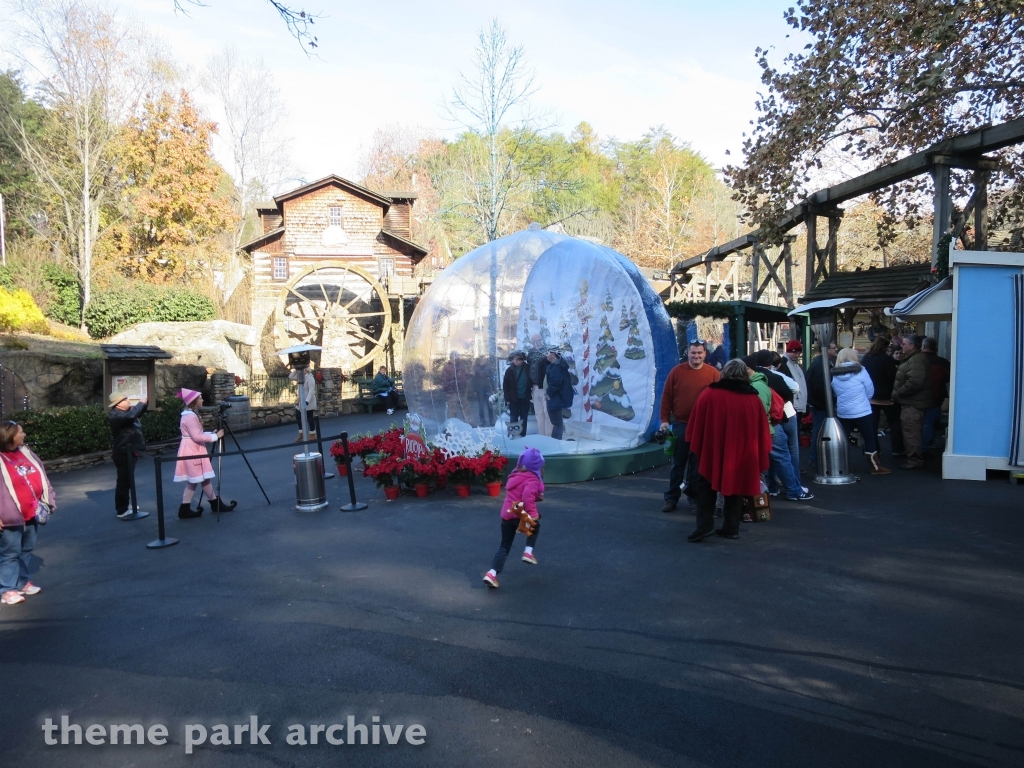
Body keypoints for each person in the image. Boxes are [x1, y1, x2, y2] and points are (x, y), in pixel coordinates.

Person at [685, 359, 773, 542]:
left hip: (712, 451)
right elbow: (762, 430)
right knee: (737, 487)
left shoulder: (710, 394)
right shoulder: (753, 399)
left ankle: (704, 526)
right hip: (741, 454)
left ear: (724, 372)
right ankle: (731, 527)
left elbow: (696, 421)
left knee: (705, 488)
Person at [659, 340, 721, 513]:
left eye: (699, 353)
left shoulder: (714, 374)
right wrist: (664, 419)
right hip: (680, 425)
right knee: (677, 464)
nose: (696, 356)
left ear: (705, 354)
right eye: (693, 353)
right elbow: (667, 397)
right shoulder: (677, 372)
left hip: (702, 427)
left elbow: (719, 399)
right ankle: (671, 498)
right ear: (688, 353)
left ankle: (694, 499)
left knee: (697, 466)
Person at [0, 420, 55, 605]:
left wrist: (49, 499)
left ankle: (22, 581)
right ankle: (7, 589)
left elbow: (41, 474)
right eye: (20, 432)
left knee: (26, 548)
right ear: (10, 437)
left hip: (31, 511)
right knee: (10, 553)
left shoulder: (25, 452)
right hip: (9, 516)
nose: (24, 435)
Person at [746, 353, 812, 501]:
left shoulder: (755, 383)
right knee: (788, 453)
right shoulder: (773, 376)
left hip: (772, 422)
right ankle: (795, 487)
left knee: (774, 455)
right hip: (784, 416)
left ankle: (776, 487)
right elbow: (794, 388)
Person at [484, 447, 544, 588]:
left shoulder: (515, 476)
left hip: (507, 515)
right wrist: (533, 514)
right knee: (535, 526)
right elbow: (526, 497)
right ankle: (528, 553)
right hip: (519, 513)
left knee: (505, 545)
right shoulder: (533, 479)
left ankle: (492, 574)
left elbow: (522, 493)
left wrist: (536, 498)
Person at [173, 389, 235, 518]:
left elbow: (195, 435)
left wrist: (210, 434)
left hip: (192, 448)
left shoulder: (189, 414)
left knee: (199, 478)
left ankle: (210, 504)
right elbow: (196, 436)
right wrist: (215, 437)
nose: (202, 400)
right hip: (193, 450)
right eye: (200, 398)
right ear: (194, 402)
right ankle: (190, 508)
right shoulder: (190, 416)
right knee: (196, 479)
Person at [831, 347, 891, 474]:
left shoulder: (835, 374)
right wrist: (865, 400)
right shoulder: (861, 370)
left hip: (843, 411)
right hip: (862, 410)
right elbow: (870, 389)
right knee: (869, 438)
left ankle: (843, 465)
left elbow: (835, 392)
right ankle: (875, 467)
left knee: (843, 439)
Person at [861, 336, 904, 459]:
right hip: (887, 396)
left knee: (872, 425)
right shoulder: (886, 359)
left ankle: (875, 449)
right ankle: (897, 449)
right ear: (885, 347)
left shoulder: (866, 358)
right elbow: (893, 376)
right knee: (895, 422)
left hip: (871, 396)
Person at [893, 334, 931, 469]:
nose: (901, 346)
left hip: (912, 403)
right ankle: (914, 457)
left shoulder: (916, 360)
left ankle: (914, 459)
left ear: (912, 346)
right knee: (912, 431)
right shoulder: (915, 359)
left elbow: (914, 382)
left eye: (904, 344)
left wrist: (898, 393)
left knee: (911, 432)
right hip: (913, 402)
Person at [108, 392, 148, 519]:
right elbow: (131, 417)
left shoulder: (125, 413)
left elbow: (137, 413)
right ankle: (121, 510)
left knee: (128, 480)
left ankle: (126, 504)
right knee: (123, 481)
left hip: (130, 451)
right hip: (123, 452)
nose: (128, 401)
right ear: (118, 404)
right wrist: (141, 403)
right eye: (125, 400)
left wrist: (144, 404)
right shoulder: (115, 415)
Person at [805, 341, 838, 464]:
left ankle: (816, 457)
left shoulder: (822, 362)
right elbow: (820, 387)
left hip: (819, 403)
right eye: (834, 348)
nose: (836, 350)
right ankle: (814, 458)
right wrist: (826, 403)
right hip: (821, 404)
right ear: (826, 349)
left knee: (819, 430)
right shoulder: (821, 365)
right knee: (819, 431)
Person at [921, 337, 951, 452]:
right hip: (937, 396)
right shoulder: (943, 362)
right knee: (930, 422)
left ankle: (922, 448)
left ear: (923, 347)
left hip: (918, 396)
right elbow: (948, 378)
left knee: (923, 423)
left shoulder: (916, 360)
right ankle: (927, 445)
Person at [544, 349, 575, 440]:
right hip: (557, 397)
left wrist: (548, 393)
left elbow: (556, 382)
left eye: (548, 353)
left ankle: (556, 441)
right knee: (557, 421)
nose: (546, 355)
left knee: (557, 422)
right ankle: (556, 440)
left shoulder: (556, 367)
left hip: (555, 398)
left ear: (553, 355)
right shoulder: (556, 366)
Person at [527, 337, 552, 437]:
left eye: (538, 340)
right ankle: (541, 435)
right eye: (534, 340)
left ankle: (549, 435)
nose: (536, 342)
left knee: (547, 412)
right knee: (539, 413)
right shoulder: (530, 353)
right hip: (534, 387)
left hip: (544, 387)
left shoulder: (546, 352)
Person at [502, 350, 531, 437]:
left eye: (518, 359)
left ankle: (522, 434)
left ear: (522, 360)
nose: (516, 361)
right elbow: (505, 386)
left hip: (525, 397)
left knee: (523, 417)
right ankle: (512, 434)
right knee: (513, 416)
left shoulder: (527, 368)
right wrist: (507, 399)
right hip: (513, 398)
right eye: (514, 359)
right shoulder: (509, 370)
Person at [777, 340, 808, 416]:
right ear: (788, 351)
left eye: (798, 353)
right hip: (792, 405)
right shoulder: (784, 365)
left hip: (798, 404)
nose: (797, 355)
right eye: (794, 353)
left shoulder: (795, 365)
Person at [289, 365, 318, 440]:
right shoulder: (300, 377)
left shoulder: (310, 378)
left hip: (308, 401)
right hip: (300, 400)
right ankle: (301, 433)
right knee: (298, 416)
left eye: (303, 369)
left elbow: (311, 391)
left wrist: (307, 401)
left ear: (306, 370)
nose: (301, 371)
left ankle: (312, 434)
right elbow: (290, 377)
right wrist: (296, 368)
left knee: (309, 417)